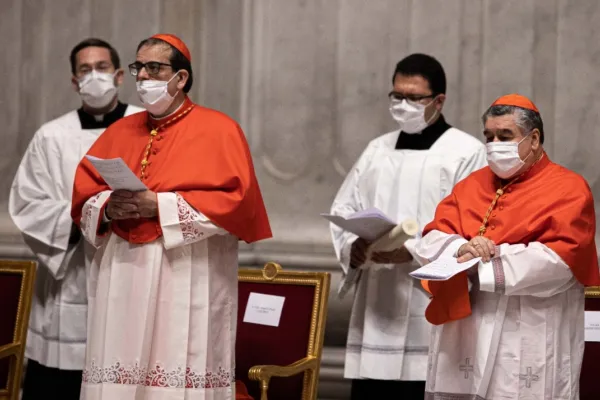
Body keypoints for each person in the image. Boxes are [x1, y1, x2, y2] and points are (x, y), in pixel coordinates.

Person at [71, 33, 271, 400]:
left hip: (186, 271)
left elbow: (236, 205)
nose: (144, 77)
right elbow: (85, 193)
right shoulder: (119, 131)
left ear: (180, 78)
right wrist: (106, 207)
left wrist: (158, 206)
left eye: (154, 68)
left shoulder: (219, 130)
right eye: (139, 68)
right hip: (123, 274)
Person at [414, 94, 600, 399]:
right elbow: (433, 235)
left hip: (528, 328)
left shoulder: (569, 189)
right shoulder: (470, 185)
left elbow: (562, 260)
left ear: (534, 139)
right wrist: (461, 249)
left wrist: (489, 258)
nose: (494, 144)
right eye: (488, 136)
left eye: (505, 136)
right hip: (466, 331)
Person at [329, 53, 487, 399]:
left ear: (438, 100)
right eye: (397, 96)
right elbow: (344, 207)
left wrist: (412, 251)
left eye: (414, 98)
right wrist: (352, 246)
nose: (403, 104)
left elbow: (473, 226)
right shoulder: (377, 150)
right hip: (377, 299)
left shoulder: (466, 152)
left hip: (427, 296)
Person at [9, 38, 142, 400]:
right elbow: (28, 204)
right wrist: (90, 215)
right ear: (74, 81)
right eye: (85, 69)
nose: (93, 76)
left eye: (101, 68)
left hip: (132, 272)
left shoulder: (145, 129)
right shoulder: (51, 137)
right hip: (69, 282)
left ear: (118, 76)